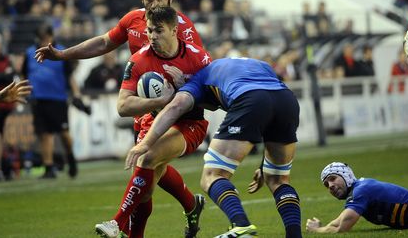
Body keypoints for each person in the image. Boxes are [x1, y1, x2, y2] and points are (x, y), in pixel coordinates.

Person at [34, 0, 206, 236]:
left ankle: (119, 223)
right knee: (148, 178)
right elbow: (104, 42)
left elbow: (201, 72)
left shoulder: (184, 29)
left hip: (180, 111)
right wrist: (64, 55)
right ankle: (191, 204)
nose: (154, 2)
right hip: (147, 108)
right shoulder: (133, 22)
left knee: (148, 163)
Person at [128, 57, 302, 238]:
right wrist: (263, 166)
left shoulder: (198, 79)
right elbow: (270, 104)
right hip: (286, 100)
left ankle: (241, 226)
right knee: (278, 179)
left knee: (213, 175)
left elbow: (175, 107)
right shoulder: (256, 64)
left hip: (249, 99)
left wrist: (145, 144)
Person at [95, 6, 211, 238]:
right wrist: (160, 100)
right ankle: (191, 204)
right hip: (155, 120)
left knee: (147, 157)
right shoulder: (138, 60)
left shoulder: (198, 58)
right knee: (145, 190)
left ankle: (117, 222)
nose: (153, 36)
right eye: (149, 31)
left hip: (189, 124)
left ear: (174, 30)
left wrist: (186, 88)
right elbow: (122, 107)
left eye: (159, 31)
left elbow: (214, 103)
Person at [21, 24, 85, 179]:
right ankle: (48, 167)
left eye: (46, 38)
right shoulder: (29, 53)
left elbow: (70, 76)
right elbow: (24, 75)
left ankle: (71, 158)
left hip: (58, 98)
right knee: (45, 134)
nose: (44, 41)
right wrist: (24, 93)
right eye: (41, 38)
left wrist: (76, 94)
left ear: (51, 36)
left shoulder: (62, 52)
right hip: (38, 98)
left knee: (63, 133)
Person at [306, 162, 408, 233]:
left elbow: (342, 228)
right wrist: (323, 227)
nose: (330, 186)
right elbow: (338, 222)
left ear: (346, 175)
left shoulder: (361, 190)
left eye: (333, 179)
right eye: (326, 184)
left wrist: (317, 230)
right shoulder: (358, 190)